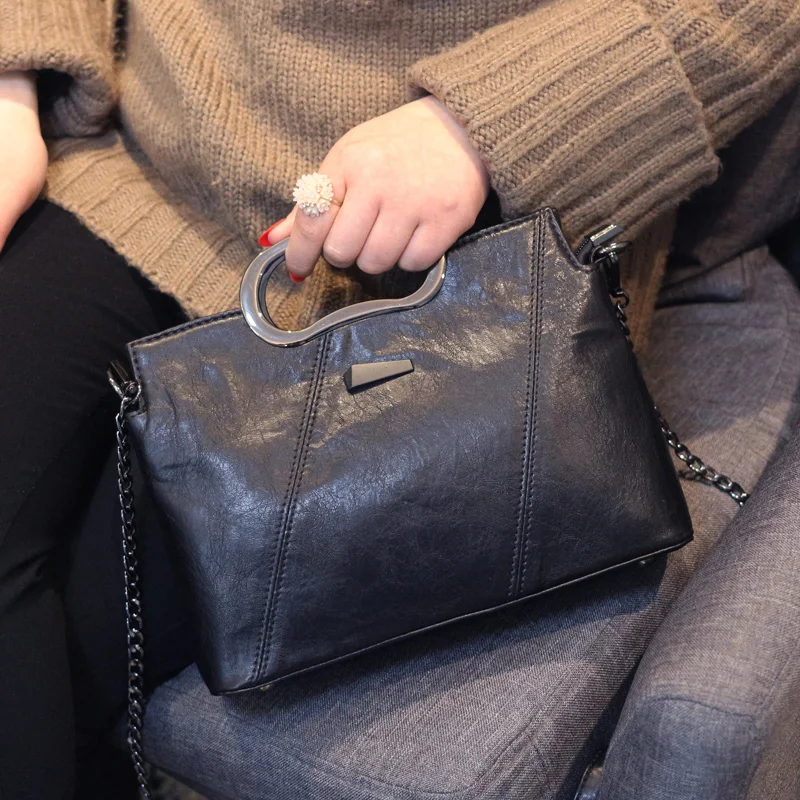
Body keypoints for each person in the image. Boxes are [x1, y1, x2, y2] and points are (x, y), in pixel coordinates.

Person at [1, 1, 800, 797]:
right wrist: (15, 78)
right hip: (131, 161)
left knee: (85, 635)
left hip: (458, 241)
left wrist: (484, 123)